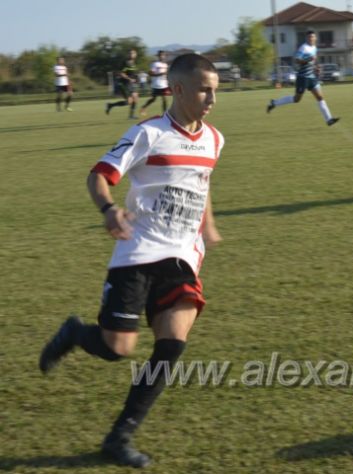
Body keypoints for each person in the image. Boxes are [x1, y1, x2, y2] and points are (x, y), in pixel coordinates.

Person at [39, 53, 224, 468]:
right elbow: (99, 175)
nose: (212, 97)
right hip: (138, 251)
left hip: (181, 255)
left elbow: (202, 181)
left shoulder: (214, 138)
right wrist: (108, 211)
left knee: (172, 344)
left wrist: (208, 224)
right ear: (176, 90)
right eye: (203, 89)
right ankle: (74, 333)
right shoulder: (149, 134)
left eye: (215, 89)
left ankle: (119, 437)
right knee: (117, 348)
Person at [266, 30, 340, 126]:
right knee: (297, 99)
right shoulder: (303, 48)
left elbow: (313, 61)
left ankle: (329, 120)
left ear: (315, 38)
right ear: (306, 38)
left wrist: (316, 67)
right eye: (309, 37)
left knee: (320, 97)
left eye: (312, 37)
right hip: (303, 77)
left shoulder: (314, 48)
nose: (311, 38)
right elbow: (297, 60)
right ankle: (274, 103)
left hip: (312, 77)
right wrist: (307, 59)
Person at [106, 49, 140, 118]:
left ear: (135, 55)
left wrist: (136, 78)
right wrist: (129, 79)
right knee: (129, 102)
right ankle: (110, 105)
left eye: (133, 53)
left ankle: (131, 115)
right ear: (128, 54)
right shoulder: (126, 63)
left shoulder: (133, 63)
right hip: (124, 84)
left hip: (130, 84)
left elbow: (133, 73)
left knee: (135, 98)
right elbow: (121, 73)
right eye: (130, 53)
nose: (131, 55)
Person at [139, 51, 170, 116]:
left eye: (163, 55)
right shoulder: (155, 64)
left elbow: (166, 75)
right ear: (158, 56)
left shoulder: (165, 65)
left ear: (165, 56)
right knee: (153, 99)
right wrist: (160, 74)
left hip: (164, 84)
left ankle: (165, 114)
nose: (162, 56)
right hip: (156, 84)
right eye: (160, 55)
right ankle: (143, 107)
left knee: (165, 99)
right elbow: (150, 73)